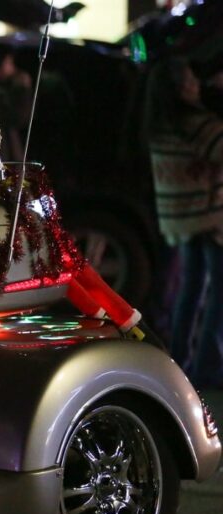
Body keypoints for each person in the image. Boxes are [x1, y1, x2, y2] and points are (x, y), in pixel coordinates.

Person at [145, 57, 223, 387]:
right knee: (219, 290)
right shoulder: (199, 125)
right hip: (209, 217)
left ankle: (179, 358)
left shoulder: (157, 125)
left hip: (179, 220)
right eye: (191, 80)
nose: (196, 86)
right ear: (180, 88)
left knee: (190, 287)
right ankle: (208, 368)